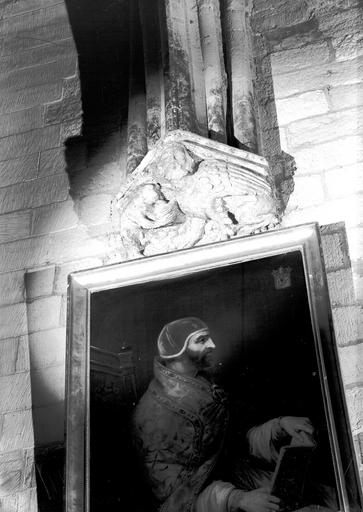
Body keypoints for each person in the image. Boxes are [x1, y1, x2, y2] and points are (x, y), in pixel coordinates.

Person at [132, 317, 333, 512]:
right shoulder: (154, 415)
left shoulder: (203, 382)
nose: (212, 344)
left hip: (238, 479)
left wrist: (279, 426)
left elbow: (235, 443)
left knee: (327, 497)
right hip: (218, 502)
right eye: (201, 340)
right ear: (177, 351)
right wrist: (239, 499)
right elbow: (175, 501)